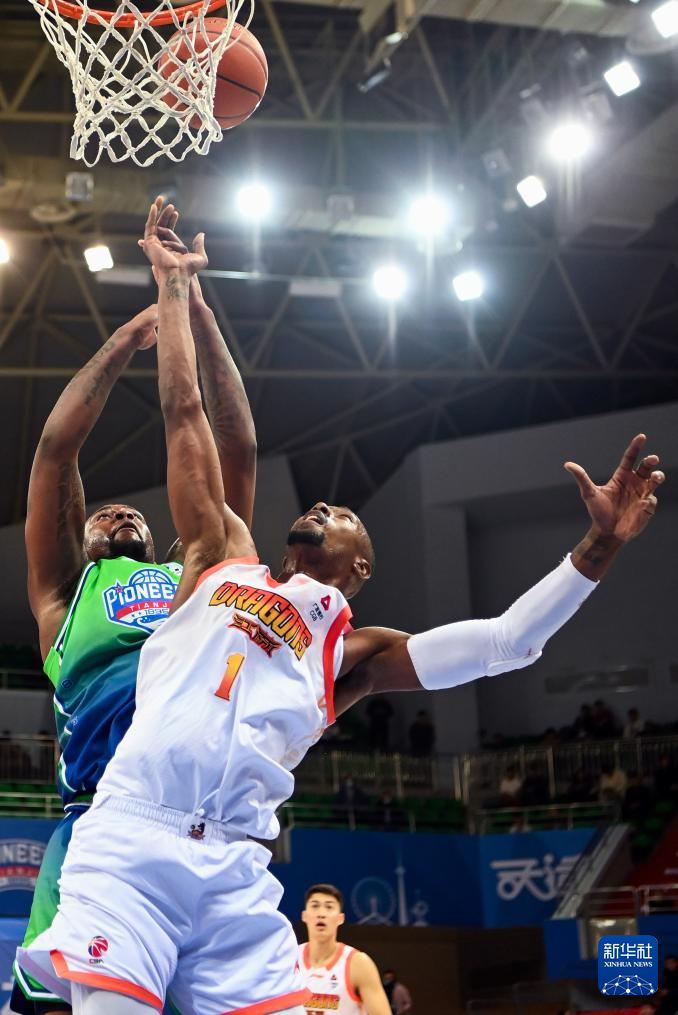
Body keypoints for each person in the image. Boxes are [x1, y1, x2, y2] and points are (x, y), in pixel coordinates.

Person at [19, 197, 664, 1015]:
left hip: (234, 869)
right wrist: (178, 291)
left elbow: (508, 642)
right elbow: (194, 419)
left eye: (342, 511)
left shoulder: (353, 654)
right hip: (133, 838)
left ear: (359, 567)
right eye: (319, 505)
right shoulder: (220, 555)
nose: (322, 505)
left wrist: (599, 547)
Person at [11, 203, 256, 1015]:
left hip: (195, 824)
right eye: (103, 514)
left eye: (135, 515)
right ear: (81, 539)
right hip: (100, 823)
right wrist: (129, 336)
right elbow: (56, 451)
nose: (119, 513)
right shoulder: (63, 596)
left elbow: (234, 445)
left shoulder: (197, 571)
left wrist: (196, 312)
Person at [298, 884, 391, 1015]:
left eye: (329, 907)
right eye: (315, 906)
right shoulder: (290, 959)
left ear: (340, 918)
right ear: (304, 916)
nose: (321, 914)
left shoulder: (358, 963)